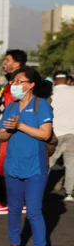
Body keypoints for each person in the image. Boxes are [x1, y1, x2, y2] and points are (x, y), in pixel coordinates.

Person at [0, 67, 54, 246]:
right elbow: (1, 136)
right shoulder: (11, 107)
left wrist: (20, 126)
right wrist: (8, 129)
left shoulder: (41, 106)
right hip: (13, 165)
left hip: (35, 167)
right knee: (13, 210)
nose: (14, 85)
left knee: (33, 211)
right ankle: (14, 245)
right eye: (13, 81)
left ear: (30, 84)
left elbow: (46, 134)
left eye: (19, 81)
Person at [0, 49, 29, 214]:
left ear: (17, 62)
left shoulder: (17, 84)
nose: (4, 63)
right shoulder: (11, 83)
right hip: (9, 131)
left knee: (4, 164)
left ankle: (9, 201)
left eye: (7, 59)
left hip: (11, 133)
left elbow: (12, 108)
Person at [50, 71, 74, 202]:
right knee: (71, 164)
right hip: (73, 132)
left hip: (55, 133)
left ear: (54, 81)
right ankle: (69, 193)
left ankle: (38, 189)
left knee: (48, 162)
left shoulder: (51, 93)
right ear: (66, 80)